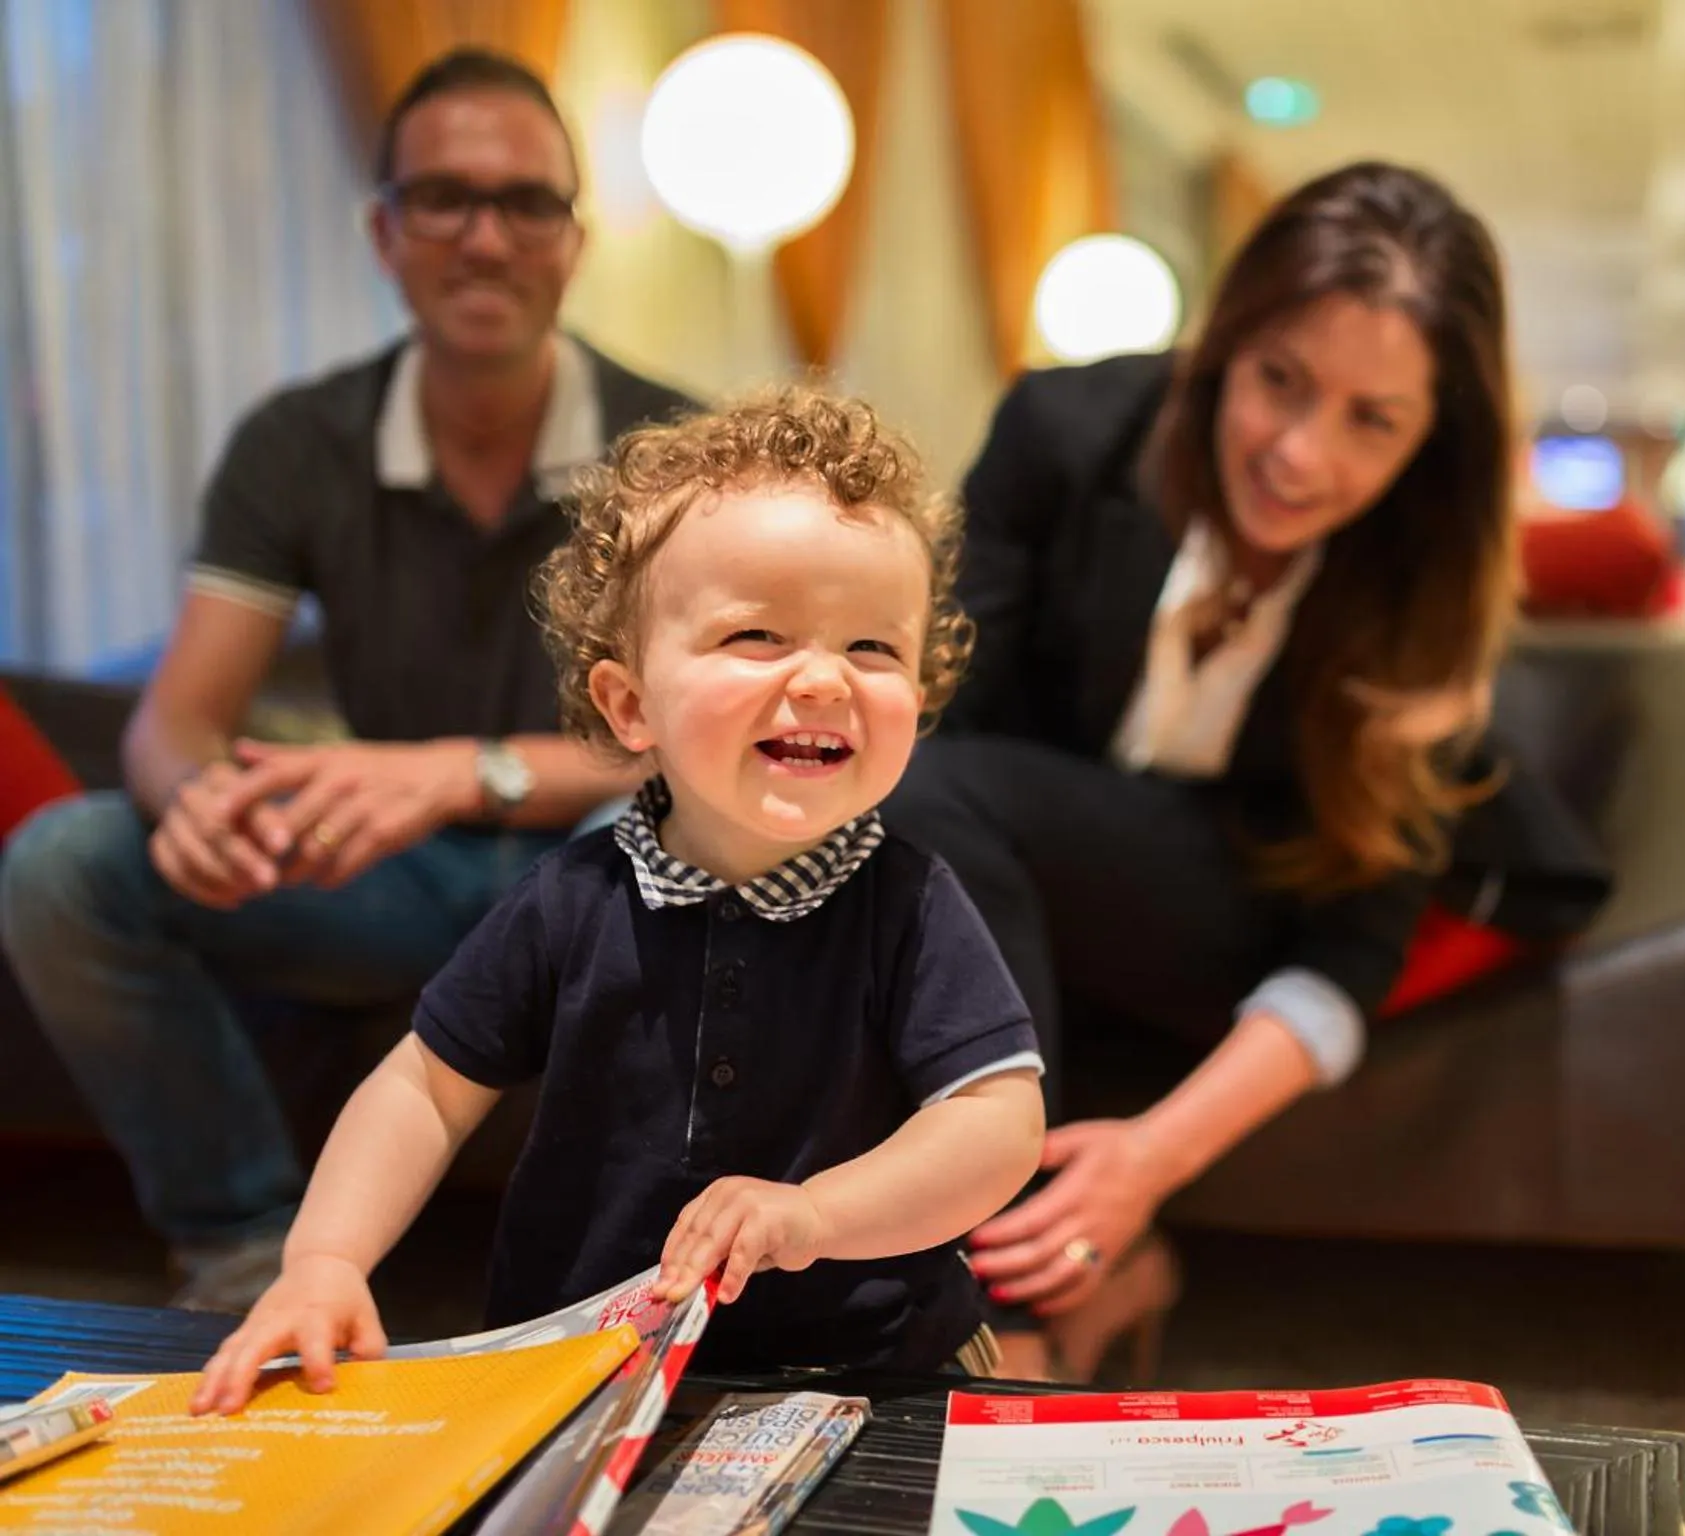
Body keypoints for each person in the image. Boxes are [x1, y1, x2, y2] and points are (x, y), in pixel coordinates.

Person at [188, 387, 1047, 1415]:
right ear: (630, 704)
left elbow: (997, 1122)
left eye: (874, 648)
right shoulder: (569, 901)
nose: (825, 679)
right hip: (584, 1359)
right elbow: (424, 1088)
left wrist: (818, 1215)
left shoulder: (909, 904)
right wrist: (324, 1259)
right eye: (759, 637)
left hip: (876, 1369)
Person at [0, 48, 695, 1311]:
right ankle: (246, 1248)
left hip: (597, 860)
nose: (484, 237)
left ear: (573, 240)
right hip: (375, 875)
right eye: (443, 198)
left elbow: (704, 750)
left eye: (524, 202)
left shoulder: (678, 449)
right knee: (65, 863)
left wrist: (454, 774)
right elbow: (179, 723)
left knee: (658, 851)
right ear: (385, 232)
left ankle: (622, 1278)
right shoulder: (298, 442)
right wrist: (196, 799)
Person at [882, 161, 1524, 1380]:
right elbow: (935, 716)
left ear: (1433, 437)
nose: (1297, 453)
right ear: (1223, 343)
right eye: (1279, 380)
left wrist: (1147, 1160)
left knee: (940, 810)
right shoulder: (1066, 434)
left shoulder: (1428, 583)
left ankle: (1009, 1331)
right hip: (998, 877)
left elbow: (1350, 955)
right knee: (913, 812)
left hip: (1241, 921)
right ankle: (1064, 1294)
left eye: (1370, 420)